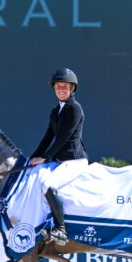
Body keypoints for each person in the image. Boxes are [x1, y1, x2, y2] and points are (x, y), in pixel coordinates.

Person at [28, 68, 88, 246]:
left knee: (48, 184)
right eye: (58, 86)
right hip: (61, 160)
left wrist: (45, 158)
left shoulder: (75, 109)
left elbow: (63, 138)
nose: (61, 89)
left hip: (75, 160)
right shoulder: (56, 110)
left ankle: (61, 230)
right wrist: (31, 158)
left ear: (72, 89)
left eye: (65, 86)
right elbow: (48, 136)